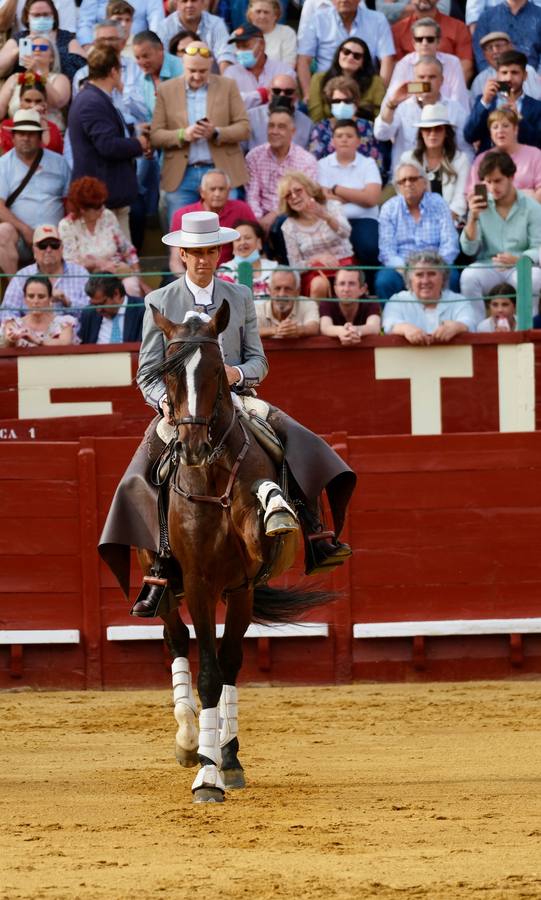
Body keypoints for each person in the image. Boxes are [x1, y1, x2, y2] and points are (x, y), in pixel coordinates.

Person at [98, 210, 356, 615]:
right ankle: (160, 565)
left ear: (219, 253)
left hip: (236, 399)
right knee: (141, 470)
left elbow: (259, 361)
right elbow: (147, 372)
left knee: (295, 437)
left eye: (211, 251)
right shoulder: (158, 301)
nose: (204, 259)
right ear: (182, 254)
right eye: (196, 252)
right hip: (181, 406)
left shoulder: (239, 297)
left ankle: (315, 532)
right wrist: (164, 403)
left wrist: (236, 372)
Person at [150, 41, 249, 224]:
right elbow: (155, 135)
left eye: (203, 71)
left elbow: (244, 128)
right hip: (182, 173)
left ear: (211, 65)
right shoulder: (166, 89)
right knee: (181, 233)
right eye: (191, 70)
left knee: (228, 230)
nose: (197, 76)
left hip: (221, 169)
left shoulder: (228, 85)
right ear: (183, 65)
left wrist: (217, 132)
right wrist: (182, 135)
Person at [68, 45, 150, 241]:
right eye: (120, 69)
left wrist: (135, 131)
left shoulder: (96, 98)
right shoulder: (92, 101)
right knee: (116, 264)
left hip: (108, 198)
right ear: (113, 71)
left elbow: (109, 134)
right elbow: (107, 145)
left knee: (121, 263)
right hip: (102, 200)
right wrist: (139, 144)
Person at [460, 150, 541, 324]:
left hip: (520, 267)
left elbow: (539, 247)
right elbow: (469, 249)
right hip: (489, 265)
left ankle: (526, 330)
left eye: (497, 181)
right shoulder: (480, 206)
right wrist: (473, 218)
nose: (492, 188)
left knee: (534, 277)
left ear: (511, 177)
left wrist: (520, 259)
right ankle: (476, 331)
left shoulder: (532, 207)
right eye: (487, 182)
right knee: (468, 276)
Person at [0, 108, 71, 274]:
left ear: (40, 137)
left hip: (56, 237)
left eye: (31, 134)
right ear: (13, 137)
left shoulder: (59, 163)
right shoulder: (3, 165)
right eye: (21, 134)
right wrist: (25, 230)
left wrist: (64, 230)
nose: (25, 138)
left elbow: (70, 201)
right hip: (21, 239)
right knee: (2, 232)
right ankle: (16, 289)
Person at [376, 159, 459, 299]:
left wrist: (434, 268)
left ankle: (447, 319)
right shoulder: (389, 208)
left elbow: (450, 243)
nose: (408, 184)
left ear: (424, 182)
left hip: (435, 264)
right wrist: (409, 270)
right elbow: (387, 251)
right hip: (402, 267)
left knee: (453, 278)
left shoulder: (438, 203)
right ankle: (393, 320)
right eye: (403, 181)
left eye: (413, 179)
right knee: (384, 281)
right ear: (398, 187)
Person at [374, 55, 470, 172]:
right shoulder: (401, 106)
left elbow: (465, 149)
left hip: (445, 177)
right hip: (405, 179)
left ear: (442, 80)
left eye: (432, 77)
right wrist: (392, 103)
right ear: (414, 80)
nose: (426, 81)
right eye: (421, 77)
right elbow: (381, 134)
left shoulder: (455, 109)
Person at [59, 176, 146, 298]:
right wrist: (100, 264)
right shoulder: (66, 225)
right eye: (97, 208)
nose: (102, 210)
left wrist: (139, 278)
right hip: (86, 278)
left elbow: (128, 250)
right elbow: (70, 262)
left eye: (102, 205)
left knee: (131, 286)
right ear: (82, 209)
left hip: (116, 274)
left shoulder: (107, 216)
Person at [297, 0, 396, 102]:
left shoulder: (377, 20)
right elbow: (303, 60)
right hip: (325, 90)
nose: (344, 0)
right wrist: (309, 95)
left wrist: (380, 93)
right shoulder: (317, 19)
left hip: (367, 90)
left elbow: (386, 59)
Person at [317, 118, 381, 274]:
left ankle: (369, 288)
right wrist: (360, 196)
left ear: (358, 141)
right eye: (339, 136)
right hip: (333, 219)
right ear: (332, 141)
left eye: (349, 136)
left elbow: (372, 199)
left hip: (364, 219)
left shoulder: (368, 164)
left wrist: (337, 189)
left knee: (369, 246)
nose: (344, 139)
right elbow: (323, 198)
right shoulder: (323, 164)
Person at [279, 171, 354, 299]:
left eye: (298, 190)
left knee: (345, 281)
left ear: (308, 189)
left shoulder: (332, 207)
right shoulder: (288, 226)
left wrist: (326, 217)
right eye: (288, 195)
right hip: (314, 273)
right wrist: (316, 259)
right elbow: (295, 266)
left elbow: (346, 233)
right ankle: (316, 318)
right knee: (319, 284)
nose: (294, 196)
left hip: (343, 264)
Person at [245, 106, 318, 234]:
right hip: (260, 218)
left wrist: (274, 215)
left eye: (281, 127)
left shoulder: (306, 160)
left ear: (293, 131)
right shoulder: (254, 156)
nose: (275, 131)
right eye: (271, 126)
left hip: (292, 214)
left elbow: (304, 199)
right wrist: (259, 223)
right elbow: (252, 196)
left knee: (284, 223)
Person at [168, 169, 256, 274]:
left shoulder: (242, 209)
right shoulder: (183, 215)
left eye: (221, 189)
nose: (217, 194)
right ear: (202, 192)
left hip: (233, 274)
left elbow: (257, 246)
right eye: (213, 189)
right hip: (193, 275)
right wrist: (188, 284)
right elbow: (175, 260)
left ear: (229, 191)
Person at [0, 224, 89, 323]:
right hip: (29, 334)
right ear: (34, 250)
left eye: (54, 245)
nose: (49, 250)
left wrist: (67, 302)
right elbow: (7, 312)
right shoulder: (22, 276)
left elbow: (92, 313)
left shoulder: (80, 273)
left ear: (61, 248)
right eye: (43, 246)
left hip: (72, 336)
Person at [382, 250, 476, 342]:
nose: (425, 281)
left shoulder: (458, 301)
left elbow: (470, 322)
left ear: (443, 278)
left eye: (431, 274)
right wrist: (405, 328)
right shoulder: (398, 300)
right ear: (410, 280)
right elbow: (389, 324)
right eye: (419, 275)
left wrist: (457, 327)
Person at [71, 19, 148, 129]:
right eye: (102, 40)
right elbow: (79, 116)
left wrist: (121, 87)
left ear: (123, 43)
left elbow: (146, 113)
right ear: (95, 44)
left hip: (135, 136)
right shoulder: (82, 74)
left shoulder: (138, 69)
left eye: (111, 39)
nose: (107, 44)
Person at [400, 103, 470, 222]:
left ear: (446, 133)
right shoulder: (408, 159)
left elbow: (460, 201)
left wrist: (441, 223)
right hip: (416, 222)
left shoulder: (460, 159)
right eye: (427, 129)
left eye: (438, 129)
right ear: (421, 133)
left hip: (450, 223)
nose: (432, 134)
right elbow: (404, 197)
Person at [384, 17, 470, 110]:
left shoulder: (453, 63)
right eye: (419, 39)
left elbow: (459, 102)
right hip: (411, 118)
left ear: (438, 42)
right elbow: (390, 100)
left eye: (430, 39)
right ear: (414, 43)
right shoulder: (403, 64)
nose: (424, 43)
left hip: (446, 117)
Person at [464, 50, 541, 152]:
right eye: (504, 73)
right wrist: (485, 102)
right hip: (489, 164)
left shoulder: (537, 107)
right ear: (497, 75)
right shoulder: (485, 101)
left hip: (523, 165)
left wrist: (519, 118)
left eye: (515, 73)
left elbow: (538, 143)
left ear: (525, 75)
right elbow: (469, 135)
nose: (509, 78)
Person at [308, 75, 385, 171]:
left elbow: (377, 165)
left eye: (347, 101)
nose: (342, 104)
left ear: (356, 102)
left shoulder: (368, 127)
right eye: (336, 101)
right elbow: (313, 164)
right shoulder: (321, 129)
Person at [466, 108, 541, 203]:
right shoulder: (481, 159)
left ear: (515, 129)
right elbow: (473, 193)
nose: (500, 131)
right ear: (490, 133)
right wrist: (525, 194)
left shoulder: (535, 155)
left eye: (505, 126)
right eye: (495, 127)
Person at [0, 34, 71, 134]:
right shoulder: (15, 78)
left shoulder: (60, 79)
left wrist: (38, 72)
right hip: (18, 136)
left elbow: (58, 102)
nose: (37, 49)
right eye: (32, 47)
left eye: (43, 47)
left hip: (51, 136)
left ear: (52, 58)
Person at [0, 0, 86, 81]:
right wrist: (18, 50)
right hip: (25, 88)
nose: (41, 19)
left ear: (53, 16)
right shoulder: (20, 38)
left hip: (59, 85)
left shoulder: (65, 37)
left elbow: (83, 68)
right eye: (36, 15)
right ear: (27, 17)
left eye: (46, 15)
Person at [307, 36, 386, 124]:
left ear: (363, 61)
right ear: (339, 54)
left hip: (365, 132)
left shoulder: (376, 82)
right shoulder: (319, 79)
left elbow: (379, 116)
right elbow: (316, 116)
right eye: (346, 52)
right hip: (326, 132)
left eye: (357, 56)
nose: (350, 57)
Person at [391, 0, 473, 82]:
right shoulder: (397, 30)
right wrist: (423, 90)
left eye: (430, 39)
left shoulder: (459, 28)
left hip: (450, 90)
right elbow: (398, 74)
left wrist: (440, 90)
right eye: (419, 40)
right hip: (412, 91)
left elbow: (466, 68)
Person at [223, 23, 295, 110]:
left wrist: (247, 99)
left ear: (261, 44)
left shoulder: (284, 71)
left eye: (245, 46)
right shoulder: (231, 72)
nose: (240, 51)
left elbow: (288, 104)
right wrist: (263, 94)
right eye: (238, 47)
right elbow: (229, 103)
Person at [157, 0, 235, 72]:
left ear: (203, 2)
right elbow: (161, 60)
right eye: (184, 1)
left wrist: (225, 84)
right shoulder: (164, 27)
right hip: (176, 81)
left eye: (194, 0)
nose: (189, 5)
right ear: (177, 3)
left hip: (211, 82)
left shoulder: (216, 24)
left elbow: (225, 56)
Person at [1, 275, 79, 347]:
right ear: (24, 299)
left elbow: (65, 343)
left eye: (41, 296)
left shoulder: (64, 323)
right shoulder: (14, 324)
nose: (36, 301)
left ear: (50, 299)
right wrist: (11, 340)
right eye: (31, 296)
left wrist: (37, 340)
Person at [472, 0, 541, 74]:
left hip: (534, 79)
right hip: (494, 79)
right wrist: (494, 77)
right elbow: (481, 54)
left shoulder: (539, 15)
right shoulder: (487, 17)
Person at [0, 75, 63, 154]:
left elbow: (55, 154)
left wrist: (42, 122)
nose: (33, 105)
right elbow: (12, 155)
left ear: (45, 102)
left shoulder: (53, 128)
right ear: (20, 101)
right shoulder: (7, 126)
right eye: (28, 100)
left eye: (38, 101)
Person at [247, 74, 313, 150]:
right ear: (268, 94)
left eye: (288, 92)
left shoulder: (307, 124)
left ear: (296, 96)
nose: (282, 95)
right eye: (276, 91)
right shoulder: (251, 117)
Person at [470, 31, 541, 101]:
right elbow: (476, 110)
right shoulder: (479, 80)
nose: (495, 51)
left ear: (510, 47)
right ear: (484, 54)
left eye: (499, 46)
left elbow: (538, 101)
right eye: (490, 48)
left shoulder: (528, 70)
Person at [218, 219, 279, 298]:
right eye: (238, 240)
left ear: (259, 242)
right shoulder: (225, 270)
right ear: (233, 246)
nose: (243, 242)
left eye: (247, 238)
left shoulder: (275, 268)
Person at [319, 267, 381, 344]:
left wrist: (356, 330)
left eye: (352, 284)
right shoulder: (327, 303)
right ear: (335, 289)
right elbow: (325, 327)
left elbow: (374, 327)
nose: (346, 289)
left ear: (362, 289)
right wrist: (341, 331)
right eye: (342, 284)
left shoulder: (371, 303)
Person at [133, 29, 184, 119]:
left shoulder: (183, 69)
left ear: (160, 49)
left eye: (145, 56)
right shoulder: (141, 78)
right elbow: (150, 117)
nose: (142, 62)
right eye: (137, 57)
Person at [256, 268, 320, 338]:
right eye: (277, 288)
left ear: (297, 291)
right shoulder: (259, 308)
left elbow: (314, 327)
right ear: (269, 290)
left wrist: (297, 330)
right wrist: (276, 330)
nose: (282, 294)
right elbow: (250, 331)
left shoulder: (308, 304)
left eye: (287, 288)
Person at [79, 275, 145, 342]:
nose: (98, 310)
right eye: (95, 304)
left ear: (116, 294)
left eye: (102, 304)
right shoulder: (89, 313)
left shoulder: (143, 310)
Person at [77, 0, 162, 47]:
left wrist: (152, 46)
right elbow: (84, 22)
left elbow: (156, 22)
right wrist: (87, 47)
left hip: (136, 46)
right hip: (100, 45)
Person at [246, 0, 297, 66]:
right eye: (258, 12)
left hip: (280, 75)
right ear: (250, 15)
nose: (262, 16)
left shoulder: (287, 33)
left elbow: (289, 65)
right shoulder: (239, 34)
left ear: (275, 16)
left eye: (266, 12)